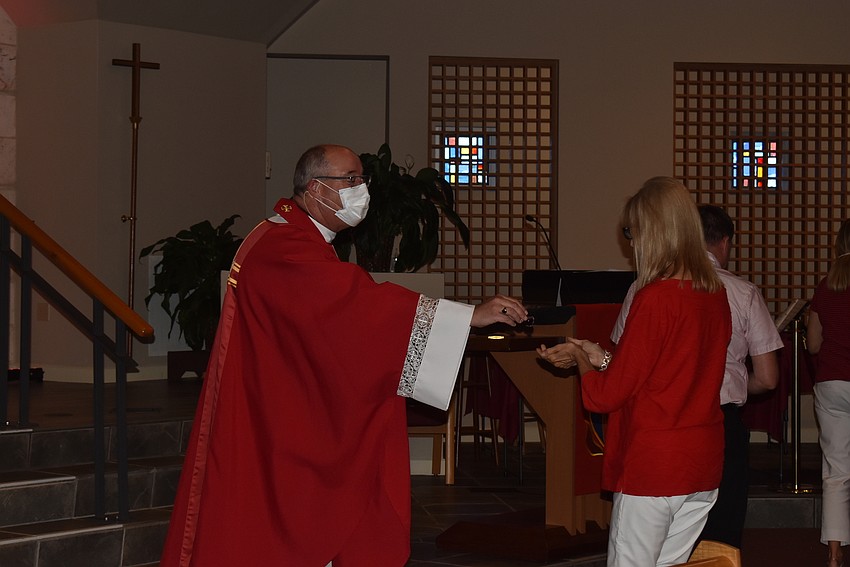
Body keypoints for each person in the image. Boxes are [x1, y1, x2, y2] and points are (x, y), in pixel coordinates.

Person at [160, 144, 528, 567]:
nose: (362, 190)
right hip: (284, 422)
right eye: (350, 180)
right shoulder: (285, 247)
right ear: (316, 189)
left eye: (362, 180)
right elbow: (354, 307)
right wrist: (469, 316)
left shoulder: (293, 237)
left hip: (285, 406)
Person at [537, 176, 732, 567]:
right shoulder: (714, 295)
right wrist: (599, 357)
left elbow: (607, 396)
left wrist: (578, 361)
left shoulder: (655, 298)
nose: (631, 242)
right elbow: (662, 375)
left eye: (632, 232)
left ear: (653, 232)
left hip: (656, 467)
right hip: (701, 463)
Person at [610, 204, 782, 549]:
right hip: (719, 425)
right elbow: (768, 378)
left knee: (652, 542)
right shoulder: (740, 292)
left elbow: (620, 361)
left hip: (659, 426)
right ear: (726, 242)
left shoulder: (646, 290)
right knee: (718, 536)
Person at [807, 218, 850, 567]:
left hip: (832, 383)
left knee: (836, 472)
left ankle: (835, 554)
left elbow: (813, 343)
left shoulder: (825, 287)